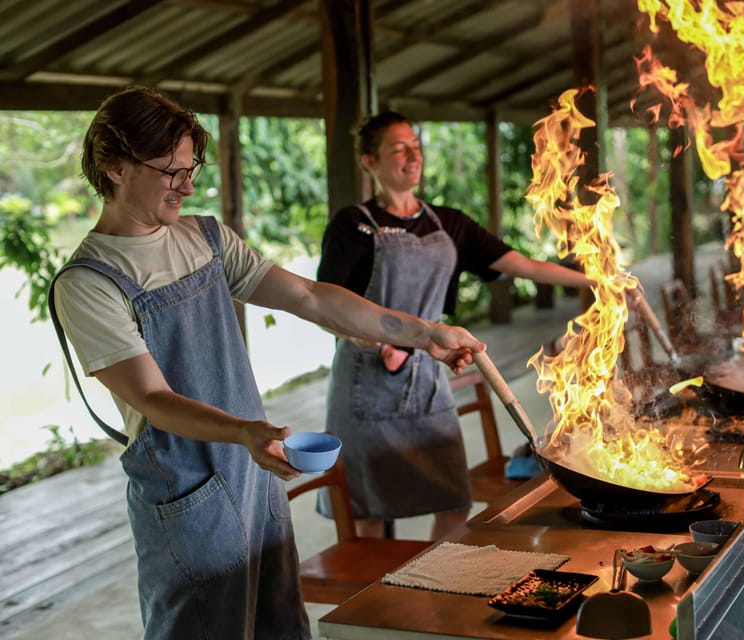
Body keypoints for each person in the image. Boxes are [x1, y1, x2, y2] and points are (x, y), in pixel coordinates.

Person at [48, 88, 483, 640]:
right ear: (114, 168)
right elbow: (153, 400)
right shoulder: (89, 282)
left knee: (282, 625)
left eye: (191, 168)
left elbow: (310, 297)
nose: (186, 184)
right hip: (187, 489)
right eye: (169, 171)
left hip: (255, 471)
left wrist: (427, 334)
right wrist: (244, 432)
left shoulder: (205, 238)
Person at [316, 110, 645, 540]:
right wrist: (377, 341)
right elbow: (326, 308)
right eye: (398, 150)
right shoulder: (352, 225)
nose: (411, 156)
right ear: (369, 162)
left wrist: (598, 278)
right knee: (367, 514)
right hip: (366, 387)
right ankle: (379, 603)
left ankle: (431, 590)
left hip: (429, 380)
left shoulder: (449, 224)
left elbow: (523, 265)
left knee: (453, 501)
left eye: (415, 147)